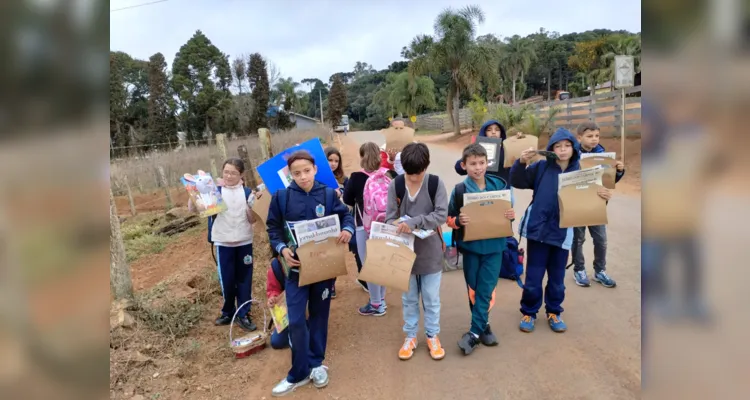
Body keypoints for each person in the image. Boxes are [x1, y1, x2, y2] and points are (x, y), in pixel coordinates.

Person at [266, 150, 355, 396]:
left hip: (324, 270)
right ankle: (298, 373)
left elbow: (345, 216)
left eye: (307, 171)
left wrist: (348, 229)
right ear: (290, 175)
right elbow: (273, 229)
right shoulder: (281, 198)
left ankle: (316, 364)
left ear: (315, 169)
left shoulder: (327, 195)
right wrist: (282, 249)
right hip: (295, 271)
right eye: (297, 173)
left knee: (319, 317)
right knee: (295, 320)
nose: (303, 177)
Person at [510, 128, 612, 333]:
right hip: (538, 231)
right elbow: (518, 180)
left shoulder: (582, 171)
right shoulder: (540, 167)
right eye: (558, 146)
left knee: (557, 278)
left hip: (563, 233)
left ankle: (554, 311)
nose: (563, 150)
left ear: (574, 148)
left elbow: (589, 205)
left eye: (567, 146)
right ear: (551, 149)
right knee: (533, 276)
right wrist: (521, 162)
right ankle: (529, 312)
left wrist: (603, 198)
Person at [447, 143, 515, 355]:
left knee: (486, 288)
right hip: (471, 248)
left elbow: (509, 212)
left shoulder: (499, 185)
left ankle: (474, 333)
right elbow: (449, 219)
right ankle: (483, 326)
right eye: (473, 163)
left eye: (482, 163)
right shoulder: (459, 190)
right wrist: (459, 220)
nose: (478, 168)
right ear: (464, 165)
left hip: (494, 247)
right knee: (474, 288)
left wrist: (510, 215)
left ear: (488, 163)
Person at [385, 142, 449, 361]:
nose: (413, 179)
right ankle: (410, 336)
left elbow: (441, 215)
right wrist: (396, 224)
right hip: (404, 253)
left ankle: (432, 335)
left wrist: (415, 222)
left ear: (427, 166)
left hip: (430, 252)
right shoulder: (396, 185)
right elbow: (389, 216)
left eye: (418, 173)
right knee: (409, 298)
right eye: (409, 174)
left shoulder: (435, 184)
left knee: (431, 298)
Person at [189, 158, 261, 332]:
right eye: (226, 172)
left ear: (241, 175)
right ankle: (228, 311)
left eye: (233, 173)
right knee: (227, 280)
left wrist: (254, 205)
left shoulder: (247, 193)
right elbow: (194, 209)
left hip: (244, 241)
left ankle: (243, 313)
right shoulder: (214, 191)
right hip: (223, 242)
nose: (229, 176)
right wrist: (193, 191)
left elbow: (252, 219)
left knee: (244, 279)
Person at [570, 122, 625, 288]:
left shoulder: (603, 155)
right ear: (579, 137)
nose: (594, 139)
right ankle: (579, 270)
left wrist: (619, 171)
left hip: (597, 204)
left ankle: (600, 271)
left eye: (597, 136)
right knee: (578, 239)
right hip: (577, 204)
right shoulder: (572, 154)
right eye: (589, 136)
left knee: (601, 240)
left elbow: (609, 180)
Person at [343, 142, 393, 314]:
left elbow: (348, 201)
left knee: (369, 265)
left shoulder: (356, 177)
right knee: (382, 263)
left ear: (362, 156)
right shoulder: (389, 175)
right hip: (386, 226)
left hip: (364, 226)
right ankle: (382, 299)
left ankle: (376, 304)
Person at [326, 146, 348, 298]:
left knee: (334, 254)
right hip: (320, 221)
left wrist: (339, 194)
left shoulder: (343, 179)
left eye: (336, 161)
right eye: (330, 160)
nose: (333, 163)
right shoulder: (315, 178)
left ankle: (331, 285)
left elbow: (347, 201)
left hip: (336, 221)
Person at [266, 258, 290, 350]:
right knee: (277, 342)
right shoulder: (276, 268)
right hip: (286, 309)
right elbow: (273, 289)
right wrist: (273, 298)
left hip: (303, 307)